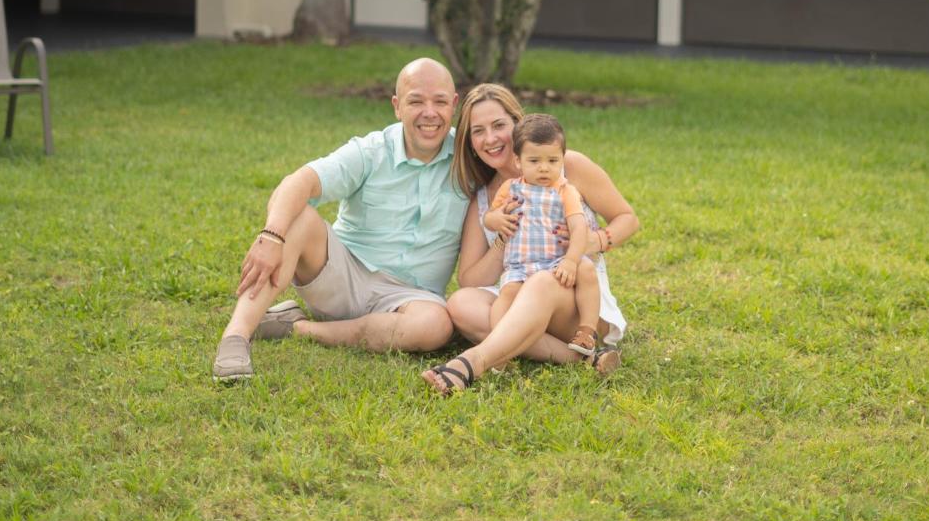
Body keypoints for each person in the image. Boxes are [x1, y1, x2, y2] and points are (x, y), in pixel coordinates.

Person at [212, 57, 470, 382]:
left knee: (435, 327)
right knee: (299, 218)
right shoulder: (371, 151)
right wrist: (271, 236)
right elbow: (299, 182)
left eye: (440, 102)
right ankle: (236, 336)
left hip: (412, 299)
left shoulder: (469, 159)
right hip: (343, 277)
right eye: (416, 101)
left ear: (455, 105)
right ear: (397, 106)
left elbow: (526, 163)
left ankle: (301, 329)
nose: (429, 112)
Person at [422, 84, 638, 394]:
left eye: (498, 125)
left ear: (517, 124)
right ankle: (579, 360)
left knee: (541, 281)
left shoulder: (568, 167)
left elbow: (628, 219)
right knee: (460, 303)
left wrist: (593, 241)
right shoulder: (485, 200)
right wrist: (502, 238)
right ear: (470, 143)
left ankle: (471, 362)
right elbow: (469, 279)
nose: (490, 138)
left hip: (577, 303)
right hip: (522, 294)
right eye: (478, 131)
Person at [482, 113, 602, 356]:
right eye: (535, 160)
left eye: (553, 160)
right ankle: (498, 347)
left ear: (562, 160)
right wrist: (496, 220)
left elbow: (579, 228)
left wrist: (570, 260)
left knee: (587, 270)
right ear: (518, 161)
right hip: (520, 265)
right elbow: (490, 217)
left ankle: (588, 331)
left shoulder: (565, 190)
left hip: (556, 263)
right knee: (505, 297)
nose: (544, 168)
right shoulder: (511, 187)